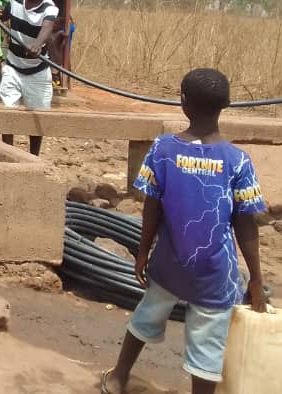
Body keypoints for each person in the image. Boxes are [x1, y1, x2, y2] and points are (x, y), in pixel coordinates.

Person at [100, 69, 267, 394]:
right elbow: (246, 224)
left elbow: (151, 207)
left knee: (147, 315)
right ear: (226, 105)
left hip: (169, 262)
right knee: (208, 344)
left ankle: (119, 377)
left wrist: (142, 251)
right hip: (215, 273)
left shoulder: (163, 150)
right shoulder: (238, 161)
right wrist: (256, 278)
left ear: (183, 102)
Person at [0, 0, 57, 155]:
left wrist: (37, 44)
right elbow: (4, 15)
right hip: (12, 66)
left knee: (37, 119)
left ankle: (34, 159)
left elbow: (47, 28)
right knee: (8, 115)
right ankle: (8, 156)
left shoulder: (50, 8)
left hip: (36, 71)